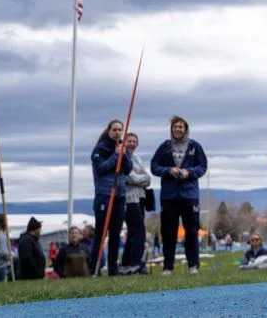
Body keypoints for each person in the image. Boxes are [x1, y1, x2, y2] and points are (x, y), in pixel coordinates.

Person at [151, 116, 208, 275]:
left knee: (191, 231)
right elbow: (154, 166)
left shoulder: (195, 146)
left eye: (181, 127)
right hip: (169, 195)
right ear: (171, 129)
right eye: (175, 127)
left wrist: (189, 172)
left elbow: (203, 167)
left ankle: (193, 265)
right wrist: (169, 170)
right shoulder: (165, 147)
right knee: (169, 232)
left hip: (189, 195)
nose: (178, 129)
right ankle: (168, 267)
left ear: (186, 129)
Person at [89, 120, 132, 276]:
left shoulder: (122, 148)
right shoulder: (99, 149)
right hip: (105, 195)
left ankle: (113, 268)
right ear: (108, 131)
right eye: (114, 129)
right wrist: (115, 155)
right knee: (101, 233)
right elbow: (101, 169)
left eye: (120, 130)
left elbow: (128, 169)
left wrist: (124, 154)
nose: (117, 132)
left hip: (120, 195)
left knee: (115, 233)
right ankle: (94, 267)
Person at [121, 132, 151, 274]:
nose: (132, 143)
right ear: (124, 142)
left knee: (134, 232)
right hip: (129, 198)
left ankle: (127, 263)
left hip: (140, 198)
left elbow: (148, 178)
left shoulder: (137, 158)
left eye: (134, 141)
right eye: (130, 141)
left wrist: (142, 178)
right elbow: (129, 177)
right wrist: (142, 179)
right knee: (139, 231)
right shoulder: (123, 157)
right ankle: (135, 262)